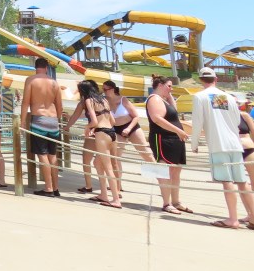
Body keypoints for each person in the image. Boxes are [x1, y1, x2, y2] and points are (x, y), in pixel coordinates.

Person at [190, 67, 254, 229]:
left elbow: (197, 122)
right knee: (241, 181)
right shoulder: (228, 97)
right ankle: (253, 216)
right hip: (235, 143)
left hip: (218, 144)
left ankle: (233, 219)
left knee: (227, 181)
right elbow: (236, 121)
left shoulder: (199, 96)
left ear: (200, 79)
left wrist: (194, 143)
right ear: (215, 79)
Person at [146, 75, 190, 214]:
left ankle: (176, 201)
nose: (171, 89)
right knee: (165, 170)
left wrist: (169, 96)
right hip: (163, 138)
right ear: (160, 85)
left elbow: (174, 112)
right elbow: (157, 119)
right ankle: (167, 203)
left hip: (175, 138)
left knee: (176, 170)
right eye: (169, 86)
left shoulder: (163, 99)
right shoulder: (154, 99)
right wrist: (178, 131)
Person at [20, 57, 62, 197]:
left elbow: (25, 102)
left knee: (42, 155)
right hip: (53, 120)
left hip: (39, 119)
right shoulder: (54, 83)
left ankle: (48, 187)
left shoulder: (31, 80)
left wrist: (22, 121)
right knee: (52, 155)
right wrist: (58, 119)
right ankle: (55, 187)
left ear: (35, 66)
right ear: (46, 68)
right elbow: (59, 105)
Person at [76, 80, 121, 208]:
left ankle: (116, 199)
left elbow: (94, 121)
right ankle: (103, 195)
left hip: (102, 134)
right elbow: (113, 121)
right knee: (98, 164)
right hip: (112, 133)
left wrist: (87, 128)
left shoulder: (89, 101)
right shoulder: (104, 100)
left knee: (108, 168)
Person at [103, 79, 155, 171]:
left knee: (146, 153)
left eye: (106, 89)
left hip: (132, 127)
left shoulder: (123, 100)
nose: (104, 92)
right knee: (115, 156)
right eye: (103, 90)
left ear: (112, 89)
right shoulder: (104, 101)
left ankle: (161, 175)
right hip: (116, 129)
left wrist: (128, 128)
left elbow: (136, 116)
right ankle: (117, 180)